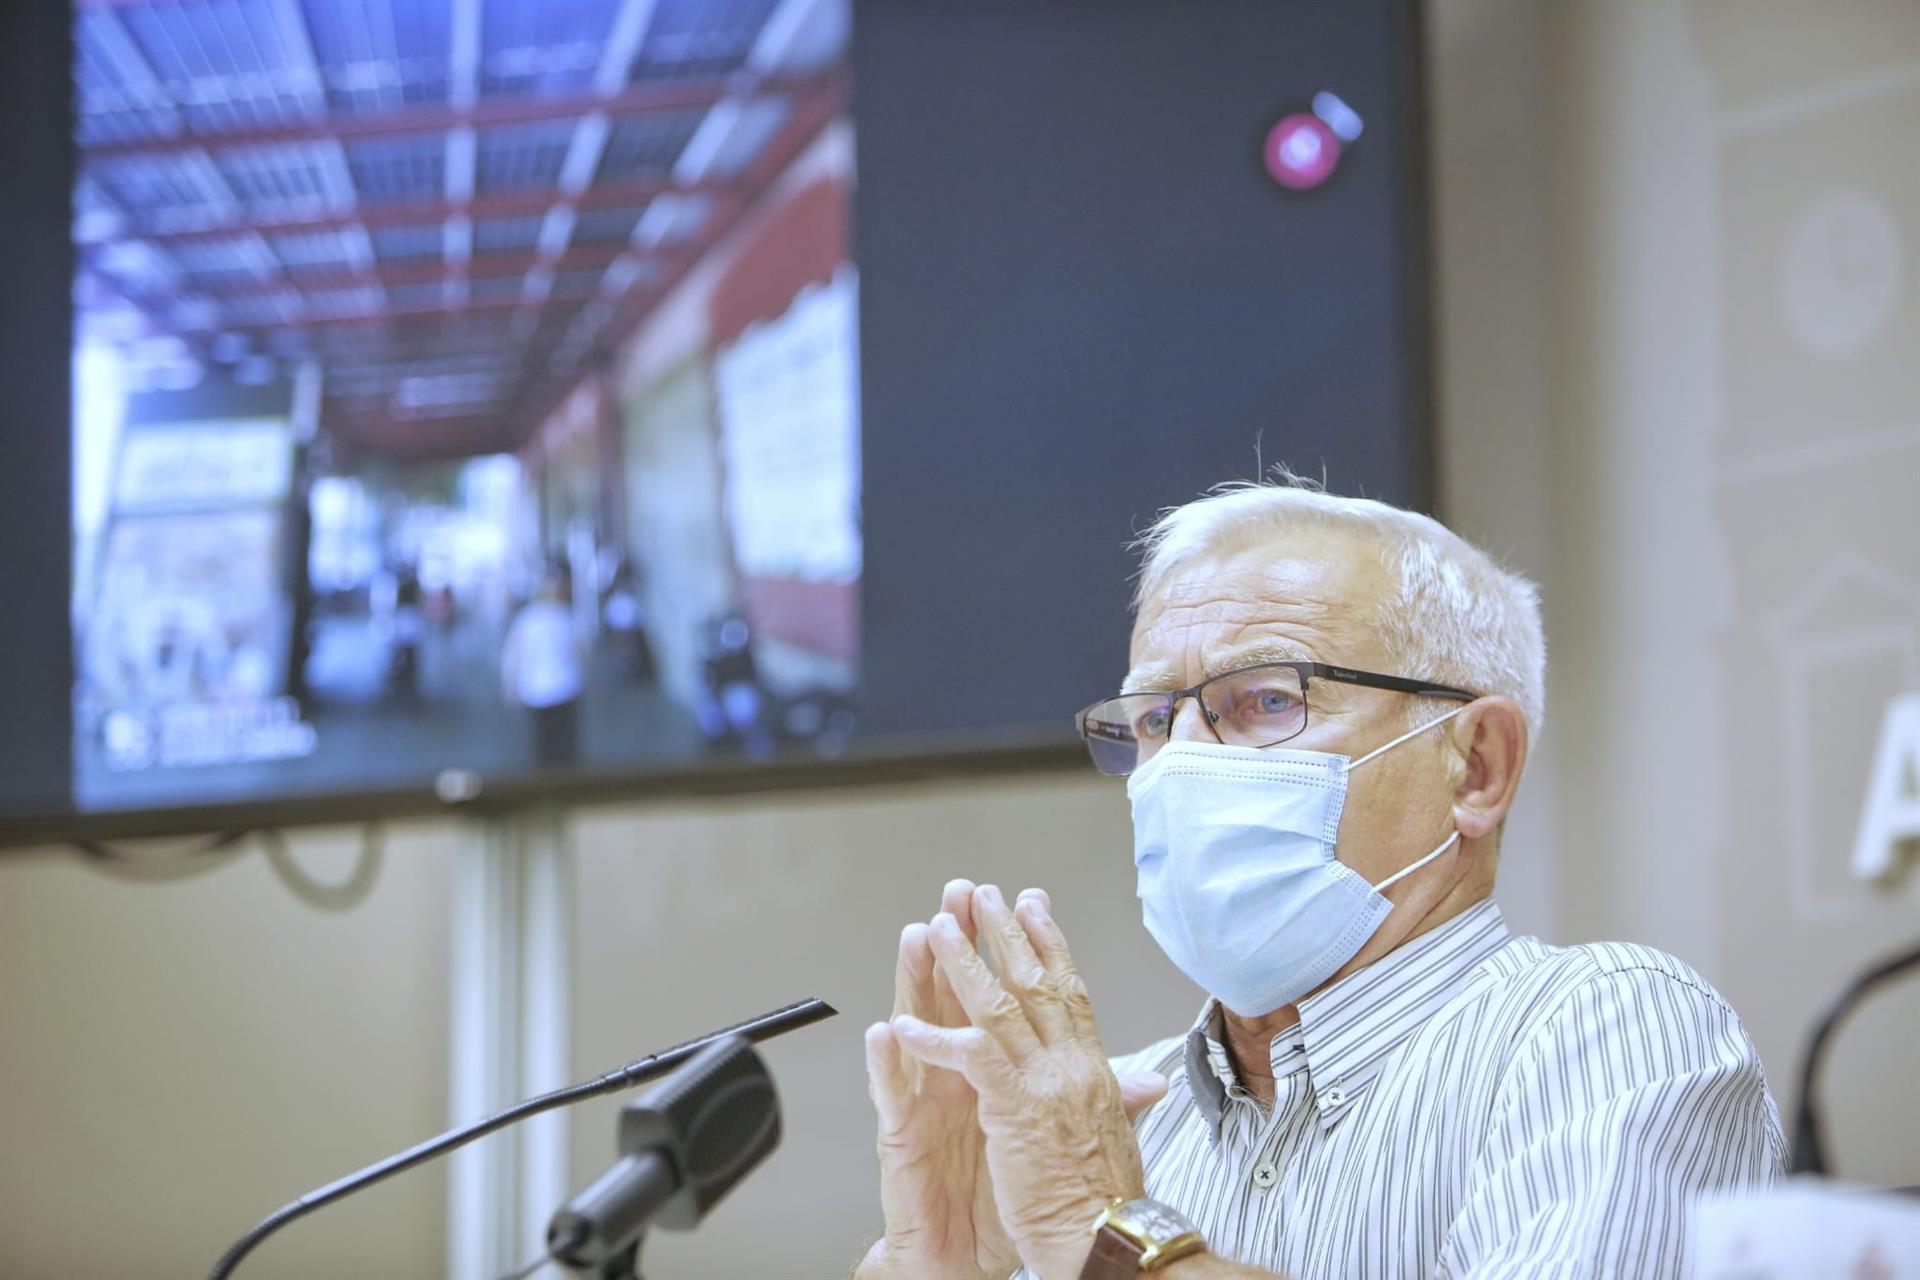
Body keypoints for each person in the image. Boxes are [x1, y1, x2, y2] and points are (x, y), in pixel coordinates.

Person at [858, 474, 1782, 1280]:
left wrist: (1109, 1235)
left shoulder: (1608, 1033)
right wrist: (934, 1269)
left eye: (1267, 700)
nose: (1181, 763)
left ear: (1476, 766)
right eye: (1154, 721)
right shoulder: (1103, 1116)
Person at [500, 570, 585, 768]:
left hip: (536, 690)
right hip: (566, 687)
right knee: (566, 741)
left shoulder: (527, 620)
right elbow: (581, 653)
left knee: (543, 741)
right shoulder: (566, 617)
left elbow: (513, 656)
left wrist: (510, 687)